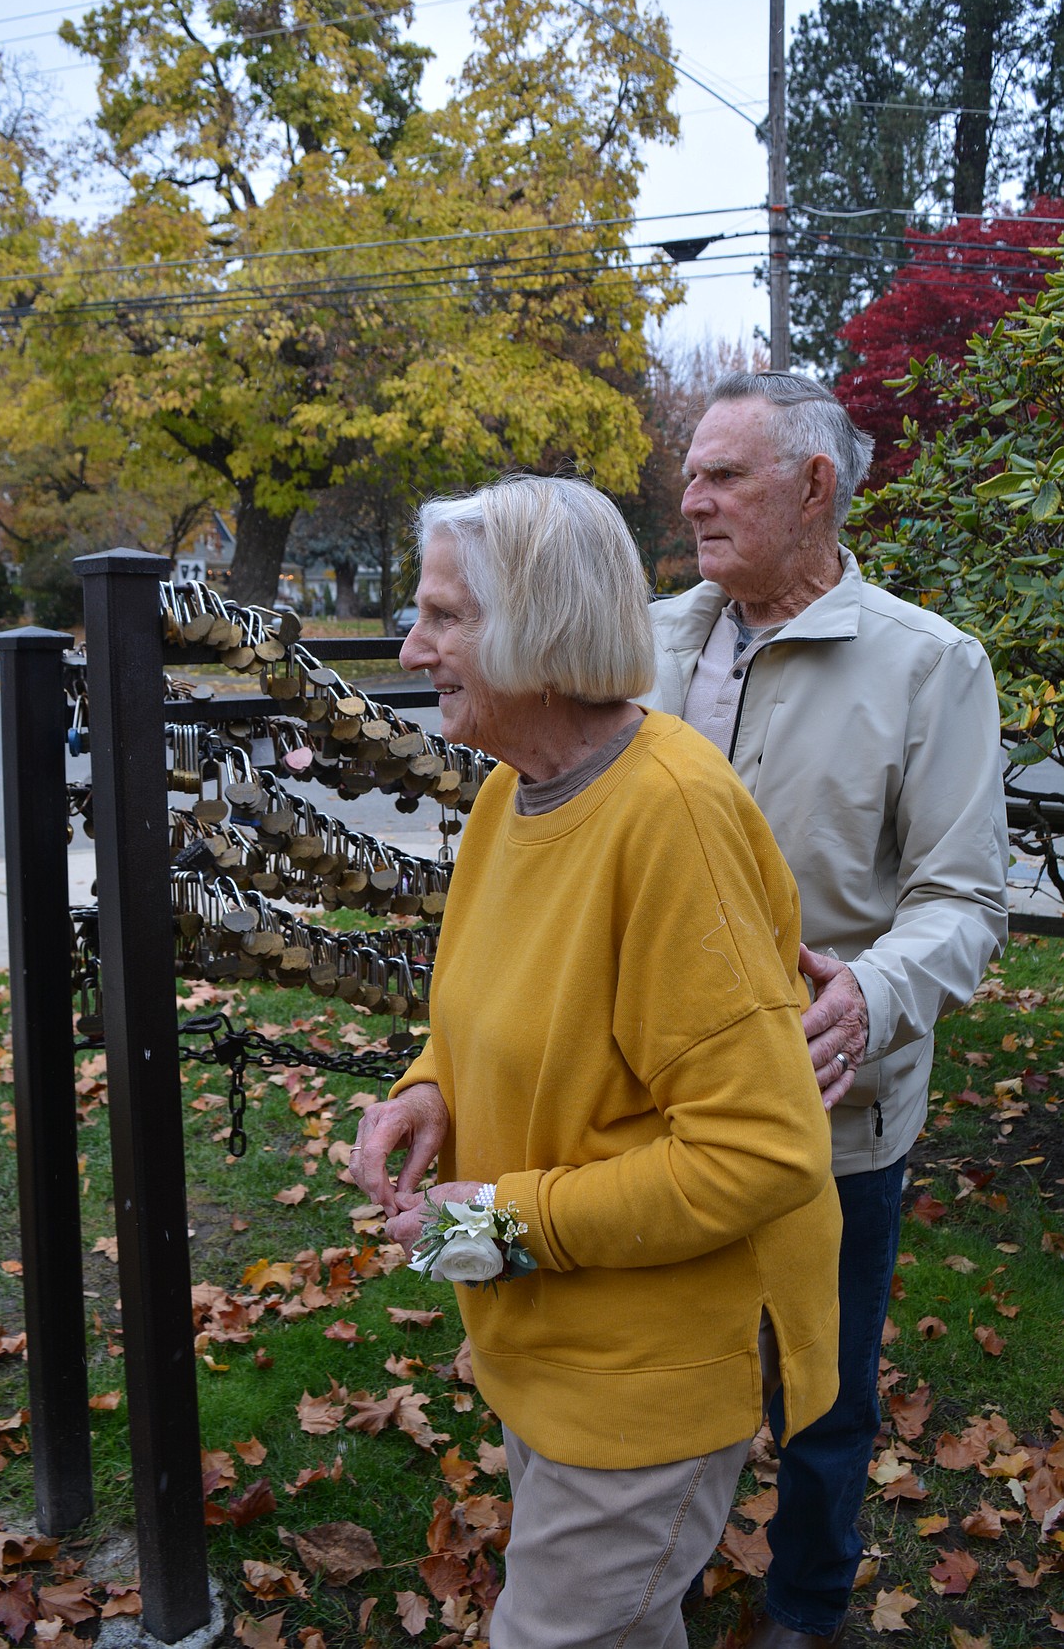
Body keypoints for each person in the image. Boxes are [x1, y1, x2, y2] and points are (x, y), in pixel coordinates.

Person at [351, 474, 842, 1649]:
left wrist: (507, 1224)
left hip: (647, 1379)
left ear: (539, 623)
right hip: (548, 1343)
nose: (415, 645)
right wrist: (430, 1083)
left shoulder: (668, 815)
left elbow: (763, 1150)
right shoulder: (513, 795)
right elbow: (496, 1001)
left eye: (445, 616)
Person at [644, 372, 1009, 1648]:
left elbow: (965, 899)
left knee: (823, 1390)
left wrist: (877, 988)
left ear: (814, 486)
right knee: (664, 1371)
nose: (692, 498)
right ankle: (655, 1591)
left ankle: (804, 1608)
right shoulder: (640, 647)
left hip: (831, 1110)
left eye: (723, 475)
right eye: (691, 473)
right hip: (652, 1111)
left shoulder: (931, 665)